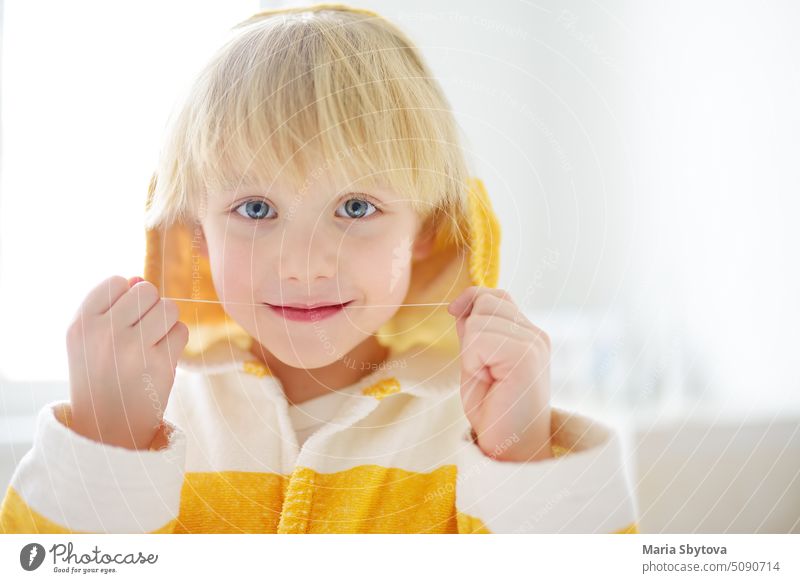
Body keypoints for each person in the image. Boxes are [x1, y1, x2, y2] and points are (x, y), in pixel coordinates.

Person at [0, 3, 639, 534]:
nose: (303, 263)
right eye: (255, 208)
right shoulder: (145, 420)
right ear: (195, 233)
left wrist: (519, 455)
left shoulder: (479, 431)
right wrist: (106, 451)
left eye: (356, 207)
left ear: (427, 231)